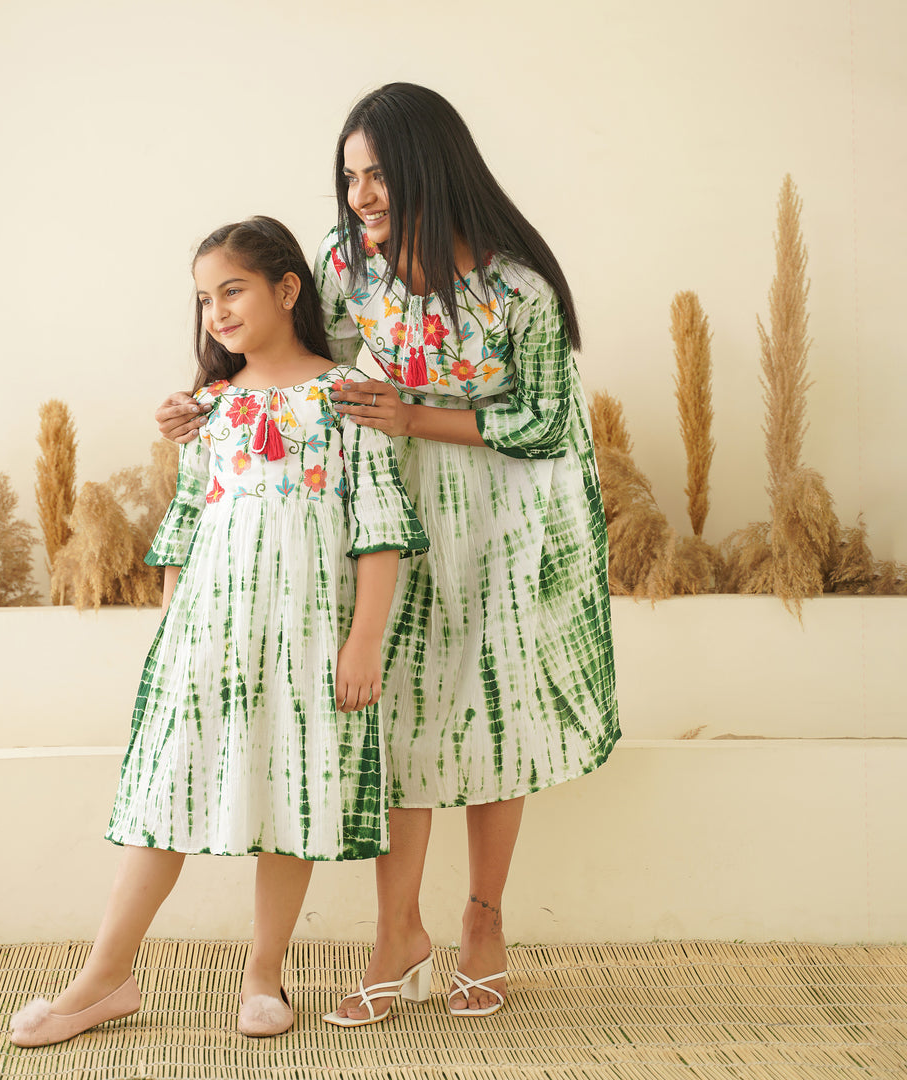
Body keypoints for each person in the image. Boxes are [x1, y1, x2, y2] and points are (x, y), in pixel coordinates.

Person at [156, 84, 619, 1025]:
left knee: (496, 719)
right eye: (350, 174)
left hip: (497, 511)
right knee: (396, 715)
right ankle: (396, 935)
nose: (360, 192)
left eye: (377, 173)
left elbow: (545, 420)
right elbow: (285, 349)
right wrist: (207, 403)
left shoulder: (516, 287)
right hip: (379, 505)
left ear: (428, 166)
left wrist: (416, 415)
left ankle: (483, 921)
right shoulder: (341, 264)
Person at [10, 216, 428, 1046]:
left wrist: (363, 642)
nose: (216, 312)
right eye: (204, 299)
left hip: (309, 637)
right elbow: (186, 524)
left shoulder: (344, 401)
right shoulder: (208, 409)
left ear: (285, 288)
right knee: (166, 795)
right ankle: (105, 976)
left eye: (231, 290)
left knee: (289, 794)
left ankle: (263, 974)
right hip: (210, 638)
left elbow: (379, 529)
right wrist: (174, 629)